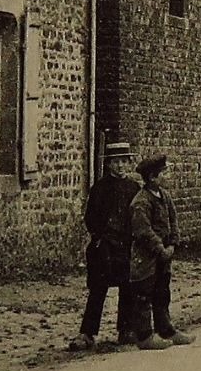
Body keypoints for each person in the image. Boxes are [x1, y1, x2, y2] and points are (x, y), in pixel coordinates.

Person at [69, 138, 139, 351]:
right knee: (98, 289)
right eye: (115, 162)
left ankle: (126, 330)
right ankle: (88, 333)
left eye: (123, 161)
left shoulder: (134, 188)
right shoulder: (100, 188)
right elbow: (91, 218)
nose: (119, 166)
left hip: (126, 245)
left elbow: (138, 216)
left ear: (128, 163)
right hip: (105, 246)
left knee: (128, 286)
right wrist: (100, 238)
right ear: (108, 164)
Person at [126, 154, 193, 350]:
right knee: (144, 293)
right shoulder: (141, 201)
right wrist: (160, 248)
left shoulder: (164, 196)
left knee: (162, 292)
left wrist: (173, 243)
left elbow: (174, 222)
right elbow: (143, 230)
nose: (168, 176)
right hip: (146, 257)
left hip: (164, 255)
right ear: (153, 177)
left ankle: (166, 329)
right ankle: (144, 336)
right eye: (164, 173)